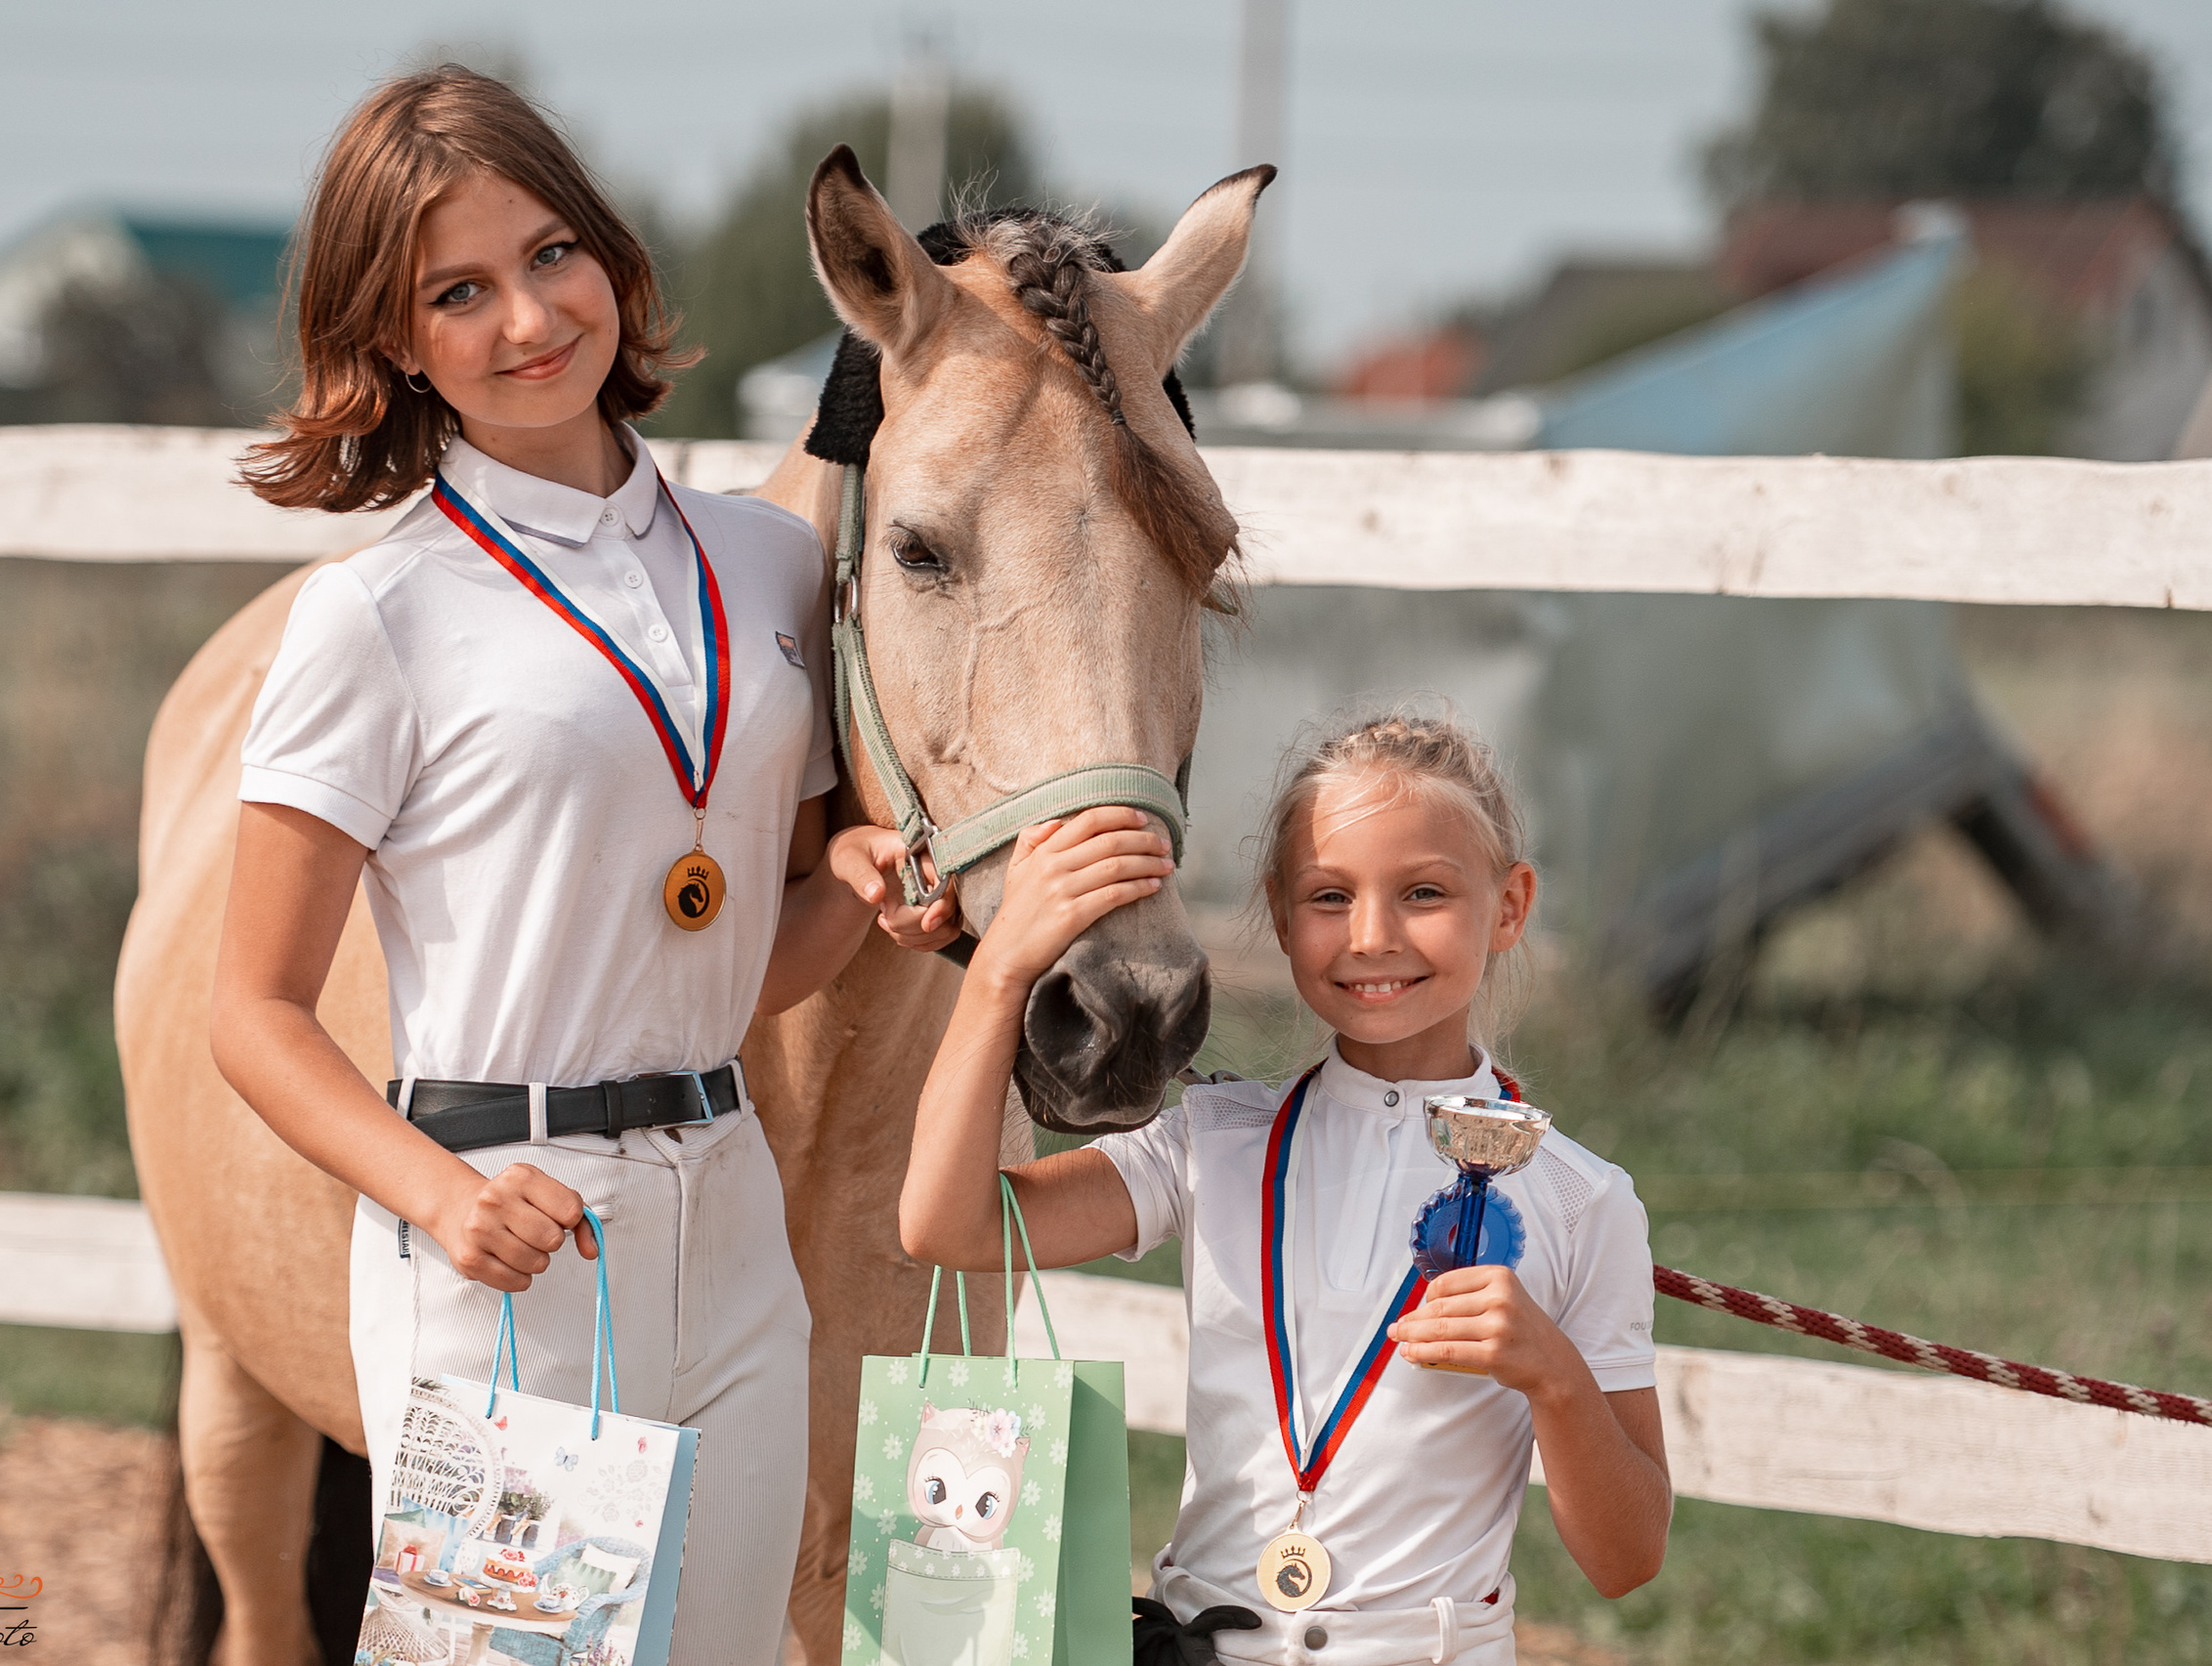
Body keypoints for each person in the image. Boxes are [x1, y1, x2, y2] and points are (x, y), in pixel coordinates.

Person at [208, 67, 956, 1662]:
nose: (530, 317)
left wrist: (856, 887)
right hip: (502, 1243)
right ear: (399, 341)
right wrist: (436, 1196)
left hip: (728, 1215)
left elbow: (743, 964)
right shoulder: (375, 617)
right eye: (458, 292)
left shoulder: (765, 564)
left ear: (611, 257)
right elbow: (253, 1014)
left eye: (551, 255)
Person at [900, 709, 1670, 1666]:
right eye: (1329, 897)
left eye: (1423, 891)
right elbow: (947, 1224)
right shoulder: (1211, 1144)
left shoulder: (1578, 1198)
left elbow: (1626, 1559)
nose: (1373, 935)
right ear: (1278, 913)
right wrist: (1001, 972)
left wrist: (1552, 1376)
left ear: (1509, 905)